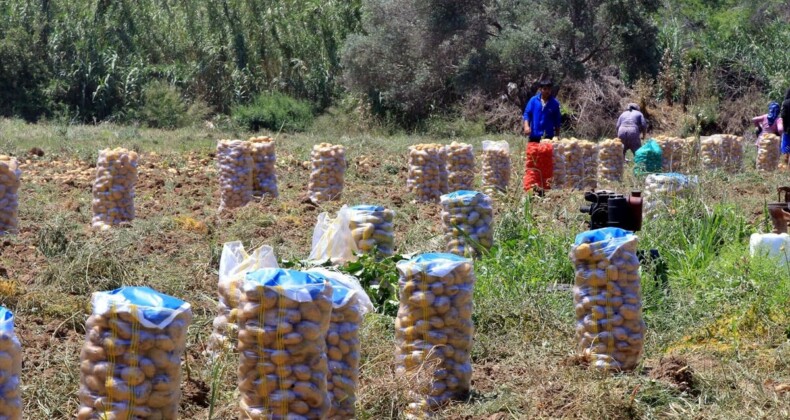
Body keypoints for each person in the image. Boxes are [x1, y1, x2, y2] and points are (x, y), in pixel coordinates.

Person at [781, 89, 790, 166]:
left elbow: (783, 116)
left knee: (787, 148)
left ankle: (786, 166)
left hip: (787, 130)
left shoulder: (786, 103)